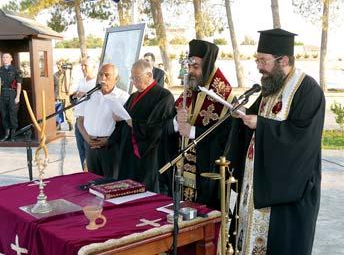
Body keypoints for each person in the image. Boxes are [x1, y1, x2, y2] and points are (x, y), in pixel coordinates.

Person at [227, 28, 325, 255]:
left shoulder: (307, 90)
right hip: (256, 186)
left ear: (284, 60)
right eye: (257, 59)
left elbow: (302, 139)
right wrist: (239, 115)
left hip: (288, 194)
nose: (259, 66)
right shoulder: (270, 87)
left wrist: (261, 125)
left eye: (264, 60)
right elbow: (250, 123)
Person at [170, 39, 234, 209]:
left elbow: (226, 137)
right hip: (182, 170)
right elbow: (170, 120)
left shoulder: (224, 96)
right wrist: (176, 121)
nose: (191, 71)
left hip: (206, 174)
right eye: (190, 66)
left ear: (208, 67)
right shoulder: (190, 88)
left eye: (196, 67)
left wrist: (192, 132)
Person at [108, 59, 174, 192]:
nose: (134, 81)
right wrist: (118, 119)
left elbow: (158, 128)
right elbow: (125, 120)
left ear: (149, 75)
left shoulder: (164, 96)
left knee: (145, 192)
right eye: (132, 78)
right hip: (128, 153)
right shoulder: (133, 96)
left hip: (147, 155)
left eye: (137, 78)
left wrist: (134, 123)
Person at [77, 63, 129, 178]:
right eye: (100, 74)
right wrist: (87, 138)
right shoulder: (89, 94)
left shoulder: (123, 97)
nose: (103, 78)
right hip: (90, 145)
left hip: (111, 148)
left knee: (111, 184)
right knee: (93, 182)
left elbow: (126, 126)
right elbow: (80, 120)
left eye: (107, 75)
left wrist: (108, 141)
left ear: (115, 79)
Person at [69, 57, 98, 170]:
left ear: (93, 67)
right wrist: (75, 94)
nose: (83, 68)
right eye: (81, 65)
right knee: (81, 152)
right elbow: (72, 96)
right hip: (79, 121)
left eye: (85, 66)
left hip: (90, 122)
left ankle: (92, 176)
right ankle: (84, 174)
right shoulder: (81, 80)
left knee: (89, 153)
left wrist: (86, 94)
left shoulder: (97, 83)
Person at [0, 53, 22, 142]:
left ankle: (13, 135)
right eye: (3, 57)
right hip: (2, 94)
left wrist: (17, 96)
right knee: (4, 114)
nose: (5, 59)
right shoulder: (0, 70)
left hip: (12, 93)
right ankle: (7, 134)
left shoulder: (16, 70)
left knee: (12, 114)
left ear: (11, 59)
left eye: (7, 57)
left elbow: (19, 84)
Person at [54, 59, 73, 130]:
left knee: (68, 110)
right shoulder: (55, 75)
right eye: (58, 65)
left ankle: (70, 124)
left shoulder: (67, 73)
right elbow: (53, 85)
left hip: (65, 95)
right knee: (58, 111)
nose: (59, 67)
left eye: (60, 65)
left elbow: (71, 83)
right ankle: (58, 125)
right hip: (57, 95)